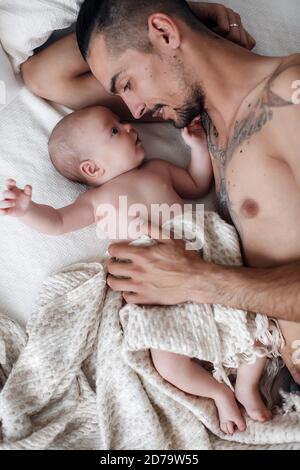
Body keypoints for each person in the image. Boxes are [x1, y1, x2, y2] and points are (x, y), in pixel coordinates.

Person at [1, 105, 275, 435]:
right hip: (153, 282)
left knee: (252, 323)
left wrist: (198, 149)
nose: (129, 126)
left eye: (122, 122)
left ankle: (247, 385)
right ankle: (217, 393)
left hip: (200, 253)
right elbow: (58, 222)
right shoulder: (97, 200)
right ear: (92, 167)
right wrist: (27, 210)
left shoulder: (158, 169)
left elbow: (197, 184)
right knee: (166, 360)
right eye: (114, 130)